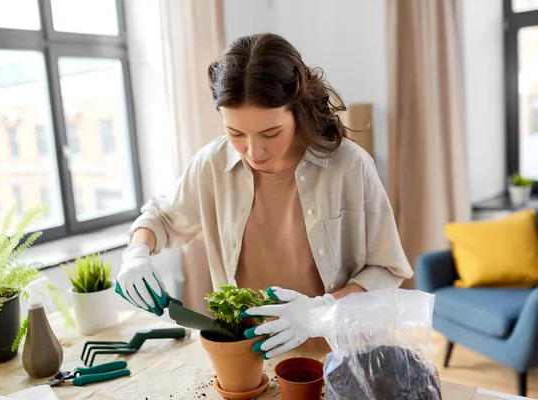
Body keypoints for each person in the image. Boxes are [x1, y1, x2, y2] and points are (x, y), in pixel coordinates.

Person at [115, 33, 413, 359]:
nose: (253, 151)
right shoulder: (210, 165)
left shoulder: (349, 166)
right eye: (236, 133)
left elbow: (387, 270)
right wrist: (136, 254)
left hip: (338, 358)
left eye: (271, 133)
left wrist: (318, 313)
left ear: (296, 110)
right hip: (248, 357)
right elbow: (161, 218)